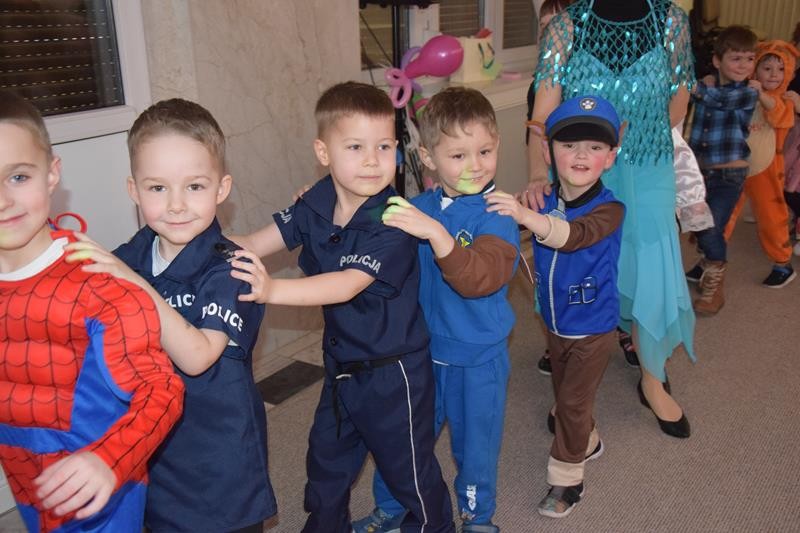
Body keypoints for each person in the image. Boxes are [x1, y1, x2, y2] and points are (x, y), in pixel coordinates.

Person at [229, 81, 454, 533]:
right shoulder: (314, 202)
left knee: (407, 472)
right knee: (326, 462)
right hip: (341, 365)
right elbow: (253, 241)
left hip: (394, 373)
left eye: (384, 146)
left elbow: (347, 284)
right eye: (355, 147)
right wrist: (195, 242)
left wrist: (271, 290)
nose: (372, 160)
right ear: (323, 152)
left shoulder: (394, 219)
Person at [64, 99, 277, 532]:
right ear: (134, 190)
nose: (176, 205)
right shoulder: (134, 252)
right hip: (154, 442)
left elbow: (198, 356)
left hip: (219, 454)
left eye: (195, 186)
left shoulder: (231, 268)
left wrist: (132, 282)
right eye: (157, 188)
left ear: (222, 188)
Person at [0, 90, 184, 532]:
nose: (2, 200)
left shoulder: (99, 287)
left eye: (18, 177)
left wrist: (109, 459)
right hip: (25, 476)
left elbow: (162, 390)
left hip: (104, 485)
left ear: (51, 174)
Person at [351, 87, 519, 533]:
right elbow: (360, 230)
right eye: (459, 155)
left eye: (485, 151)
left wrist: (437, 235)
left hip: (478, 359)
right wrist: (323, 203)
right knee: (404, 438)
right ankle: (393, 507)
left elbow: (479, 277)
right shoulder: (417, 208)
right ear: (427, 157)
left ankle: (477, 517)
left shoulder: (498, 214)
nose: (475, 165)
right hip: (420, 354)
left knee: (475, 445)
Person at [526, 0, 694, 438]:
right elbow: (542, 115)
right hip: (582, 167)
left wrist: (632, 140)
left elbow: (679, 101)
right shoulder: (566, 26)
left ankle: (652, 378)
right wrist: (537, 172)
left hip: (648, 165)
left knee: (651, 267)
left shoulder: (672, 22)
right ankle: (573, 387)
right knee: (580, 264)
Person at [488, 94, 623, 518]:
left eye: (595, 146)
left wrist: (526, 216)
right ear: (549, 153)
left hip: (594, 327)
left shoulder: (610, 210)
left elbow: (571, 236)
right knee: (566, 394)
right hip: (553, 323)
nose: (581, 154)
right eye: (569, 145)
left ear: (610, 157)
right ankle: (589, 439)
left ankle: (567, 480)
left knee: (572, 403)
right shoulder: (541, 198)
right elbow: (501, 224)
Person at [686, 25, 759, 314]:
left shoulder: (747, 93)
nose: (744, 65)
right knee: (697, 224)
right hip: (698, 174)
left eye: (749, 59)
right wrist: (702, 84)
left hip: (729, 175)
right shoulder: (709, 86)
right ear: (717, 61)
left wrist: (696, 86)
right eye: (736, 58)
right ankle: (707, 262)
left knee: (711, 227)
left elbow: (715, 99)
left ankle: (715, 282)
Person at [720, 40, 800, 288]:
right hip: (736, 164)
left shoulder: (786, 98)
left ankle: (782, 264)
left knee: (771, 216)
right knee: (722, 212)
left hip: (766, 170)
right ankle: (710, 259)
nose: (774, 74)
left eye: (780, 69)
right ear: (755, 70)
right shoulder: (746, 91)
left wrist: (761, 95)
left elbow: (779, 116)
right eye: (767, 68)